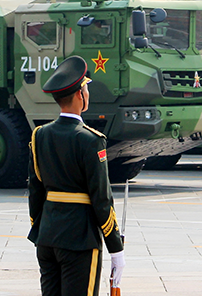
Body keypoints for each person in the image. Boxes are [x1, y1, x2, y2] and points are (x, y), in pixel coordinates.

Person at [28, 55, 125, 296]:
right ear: (80, 94)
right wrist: (116, 248)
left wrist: (42, 229)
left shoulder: (39, 135)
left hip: (47, 237)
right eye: (86, 88)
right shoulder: (91, 140)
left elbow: (35, 191)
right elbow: (102, 200)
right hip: (79, 239)